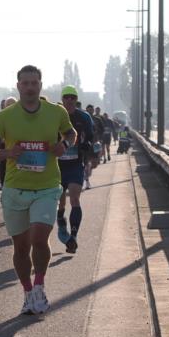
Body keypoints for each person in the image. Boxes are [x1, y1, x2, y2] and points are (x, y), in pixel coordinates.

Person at [0, 66, 75, 316]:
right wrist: (6, 153)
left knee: (38, 239)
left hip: (46, 187)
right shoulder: (5, 116)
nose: (30, 87)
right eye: (26, 83)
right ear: (18, 85)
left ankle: (39, 285)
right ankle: (26, 293)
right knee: (21, 248)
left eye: (35, 83)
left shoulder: (56, 112)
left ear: (41, 85)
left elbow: (71, 133)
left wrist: (63, 144)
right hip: (15, 189)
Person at [57, 88, 94, 255]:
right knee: (60, 202)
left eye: (73, 98)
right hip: (56, 166)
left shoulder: (83, 117)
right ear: (62, 99)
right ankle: (60, 220)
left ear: (76, 99)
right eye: (67, 97)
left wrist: (89, 150)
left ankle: (73, 236)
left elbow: (91, 136)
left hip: (75, 165)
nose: (70, 100)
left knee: (74, 199)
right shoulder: (55, 114)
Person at [0, 96, 16, 191]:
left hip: (17, 147)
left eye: (12, 104)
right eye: (8, 105)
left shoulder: (21, 116)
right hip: (5, 146)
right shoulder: (2, 117)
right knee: (3, 163)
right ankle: (3, 183)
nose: (10, 106)